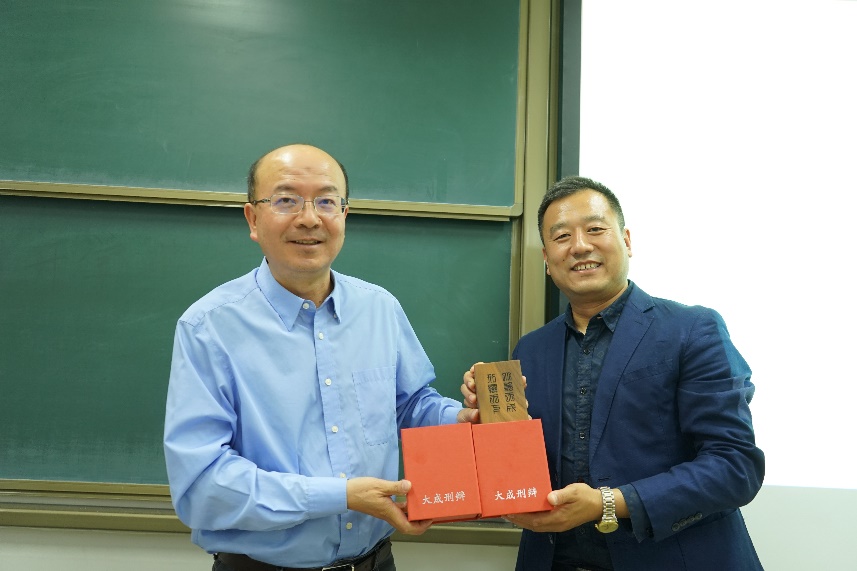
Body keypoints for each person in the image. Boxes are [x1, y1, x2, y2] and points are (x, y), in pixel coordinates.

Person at [164, 144, 476, 571]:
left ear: (344, 215)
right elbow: (202, 486)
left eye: (327, 202)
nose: (310, 218)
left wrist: (461, 419)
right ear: (253, 219)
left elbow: (410, 406)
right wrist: (341, 496)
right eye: (286, 200)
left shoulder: (379, 308)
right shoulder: (208, 327)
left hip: (375, 562)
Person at [462, 176, 765, 570]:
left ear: (626, 240)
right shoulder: (531, 351)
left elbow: (735, 465)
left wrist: (608, 502)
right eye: (562, 237)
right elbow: (522, 470)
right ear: (547, 261)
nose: (579, 246)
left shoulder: (692, 329)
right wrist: (488, 425)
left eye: (595, 229)